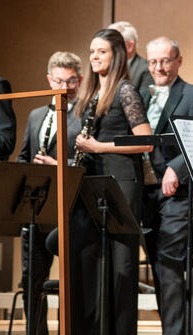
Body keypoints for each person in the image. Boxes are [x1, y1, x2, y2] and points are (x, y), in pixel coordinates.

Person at [74, 28, 156, 335]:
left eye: (102, 51)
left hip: (121, 182)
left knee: (121, 265)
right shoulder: (92, 93)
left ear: (117, 54)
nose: (94, 56)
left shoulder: (124, 90)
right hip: (95, 183)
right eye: (92, 51)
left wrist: (99, 146)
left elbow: (146, 141)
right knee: (97, 262)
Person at [139, 36, 193, 335]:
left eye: (165, 60)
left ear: (178, 61)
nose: (159, 67)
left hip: (179, 194)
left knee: (169, 265)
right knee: (157, 265)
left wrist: (175, 168)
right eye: (153, 61)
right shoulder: (139, 96)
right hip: (145, 194)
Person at [17, 51, 81, 335]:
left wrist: (59, 165)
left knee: (74, 278)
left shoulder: (82, 115)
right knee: (33, 279)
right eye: (58, 81)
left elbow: (84, 164)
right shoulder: (35, 115)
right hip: (37, 209)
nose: (64, 88)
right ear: (48, 80)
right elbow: (23, 157)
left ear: (78, 81)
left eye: (70, 81)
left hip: (68, 207)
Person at [109, 20, 152, 89]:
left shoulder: (146, 69)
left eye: (112, 45)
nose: (108, 49)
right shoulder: (106, 66)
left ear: (129, 46)